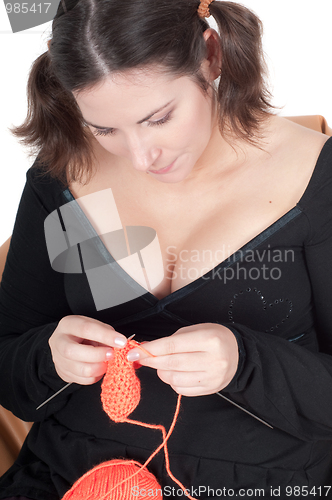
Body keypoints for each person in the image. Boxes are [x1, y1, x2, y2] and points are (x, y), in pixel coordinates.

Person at [0, 0, 332, 498]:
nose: (139, 156)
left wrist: (245, 363)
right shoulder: (62, 175)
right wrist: (49, 359)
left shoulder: (317, 181)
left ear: (211, 56)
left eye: (158, 118)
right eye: (104, 129)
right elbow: (9, 368)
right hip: (69, 474)